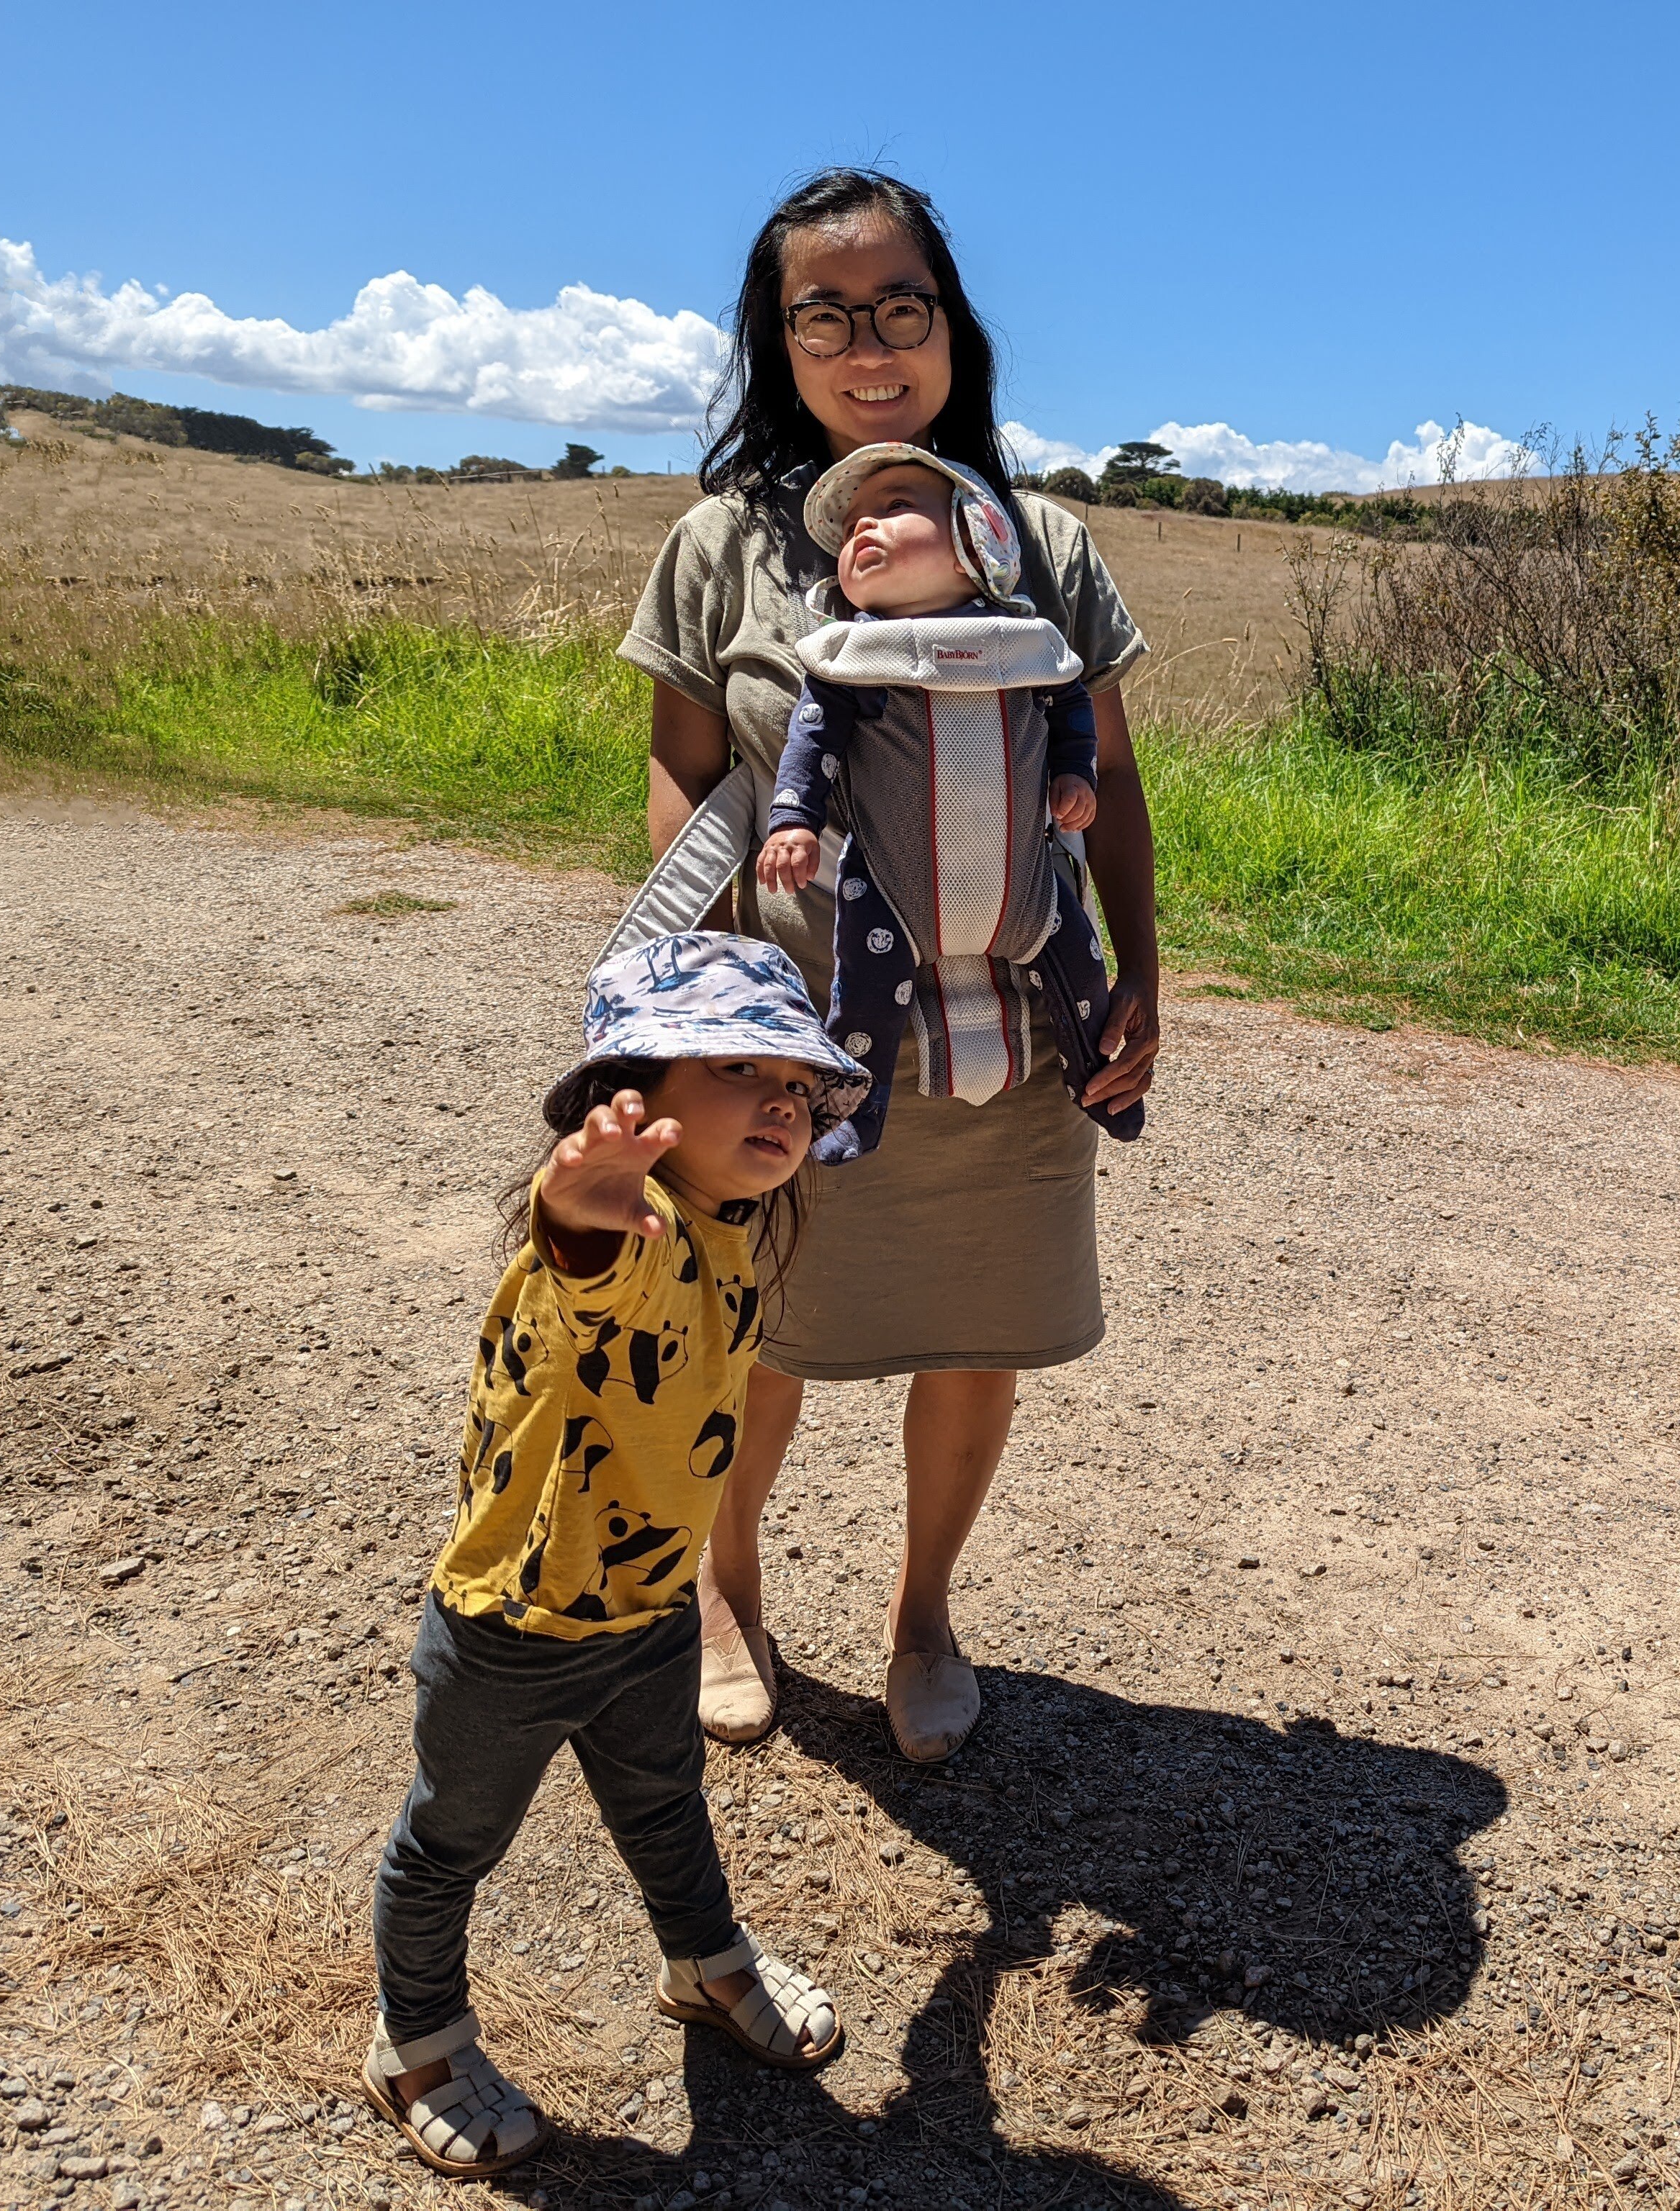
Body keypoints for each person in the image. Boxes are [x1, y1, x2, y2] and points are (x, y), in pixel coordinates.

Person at [620, 168, 1162, 1763]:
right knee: (761, 1333)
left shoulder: (1039, 539)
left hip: (1019, 1036)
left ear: (952, 325)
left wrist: (1145, 970)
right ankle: (727, 1595)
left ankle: (925, 1611)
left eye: (901, 306)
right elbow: (686, 775)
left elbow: (1110, 775)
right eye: (825, 313)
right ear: (777, 339)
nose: (870, 344)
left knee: (977, 1328)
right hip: (793, 1038)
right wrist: (707, 1011)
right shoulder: (723, 546)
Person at [361, 933, 867, 2179]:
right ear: (632, 1100)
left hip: (647, 1610)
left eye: (796, 1085)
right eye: (739, 1070)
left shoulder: (731, 1223)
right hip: (515, 1627)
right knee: (451, 1843)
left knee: (664, 1800)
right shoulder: (617, 1233)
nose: (783, 1102)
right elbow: (585, 1274)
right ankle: (415, 2041)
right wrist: (575, 1205)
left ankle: (702, 1963)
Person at [756, 441, 1146, 1161]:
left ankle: (1100, 1078)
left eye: (895, 506)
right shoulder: (851, 658)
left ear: (979, 539)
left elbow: (1074, 716)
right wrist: (793, 822)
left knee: (1081, 975)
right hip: (892, 899)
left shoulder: (1032, 647)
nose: (862, 527)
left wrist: (1075, 777)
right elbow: (811, 746)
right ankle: (850, 1114)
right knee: (862, 1006)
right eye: (849, 530)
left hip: (1028, 889)